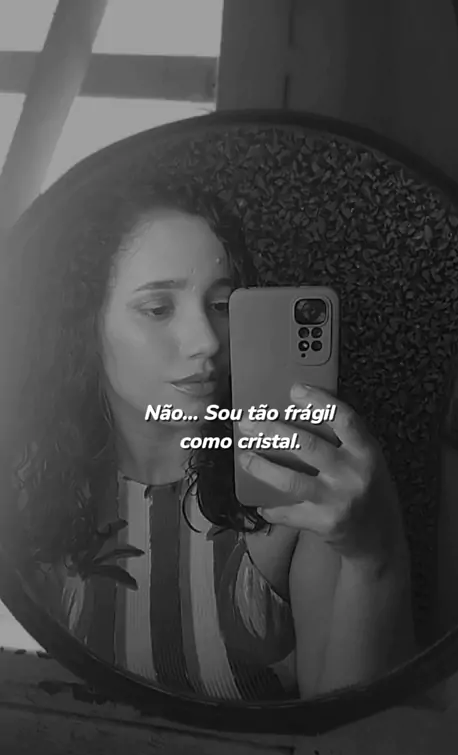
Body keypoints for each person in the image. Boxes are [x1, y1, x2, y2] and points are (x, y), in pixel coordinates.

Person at [0, 168, 416, 703]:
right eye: (158, 308)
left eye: (222, 306)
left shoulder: (297, 488)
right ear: (87, 323)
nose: (207, 341)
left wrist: (374, 555)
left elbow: (345, 736)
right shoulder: (25, 481)